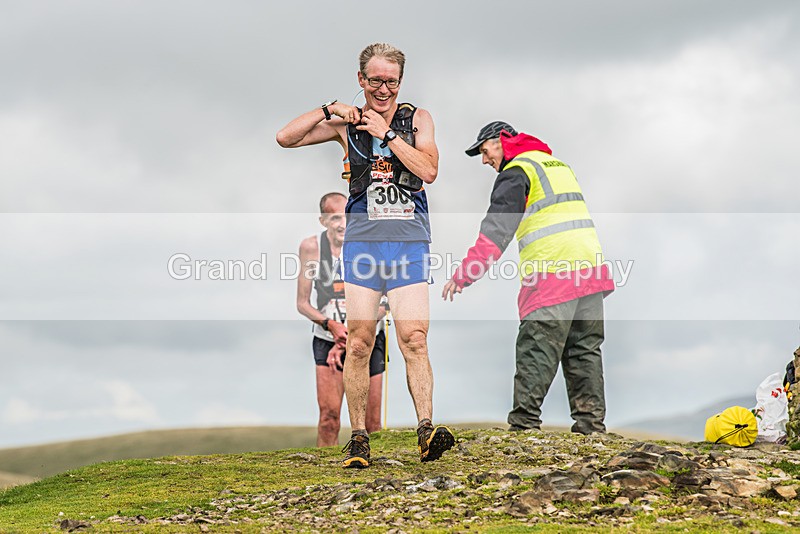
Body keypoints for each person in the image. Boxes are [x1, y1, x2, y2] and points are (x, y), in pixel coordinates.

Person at [277, 43, 454, 467]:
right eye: (375, 80)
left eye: (391, 81)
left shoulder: (418, 119)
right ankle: (358, 439)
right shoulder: (348, 124)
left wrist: (387, 134)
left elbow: (429, 170)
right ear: (361, 79)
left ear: (401, 82)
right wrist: (329, 109)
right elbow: (285, 138)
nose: (383, 89)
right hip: (363, 244)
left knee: (414, 338)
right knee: (359, 341)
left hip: (408, 241)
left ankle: (426, 430)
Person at [443, 121, 615, 434]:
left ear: (500, 141)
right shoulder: (556, 165)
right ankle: (591, 427)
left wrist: (466, 273)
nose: (484, 160)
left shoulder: (516, 171)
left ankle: (524, 425)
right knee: (584, 350)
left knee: (536, 346)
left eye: (484, 151)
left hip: (553, 270)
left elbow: (498, 228)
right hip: (590, 270)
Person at [296, 192, 386, 447]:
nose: (342, 224)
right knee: (329, 419)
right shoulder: (311, 248)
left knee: (372, 424)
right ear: (323, 221)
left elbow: (386, 302)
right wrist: (331, 326)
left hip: (368, 339)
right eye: (335, 218)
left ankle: (373, 469)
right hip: (327, 338)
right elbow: (302, 303)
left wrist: (351, 333)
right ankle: (325, 469)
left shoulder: (371, 245)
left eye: (347, 216)